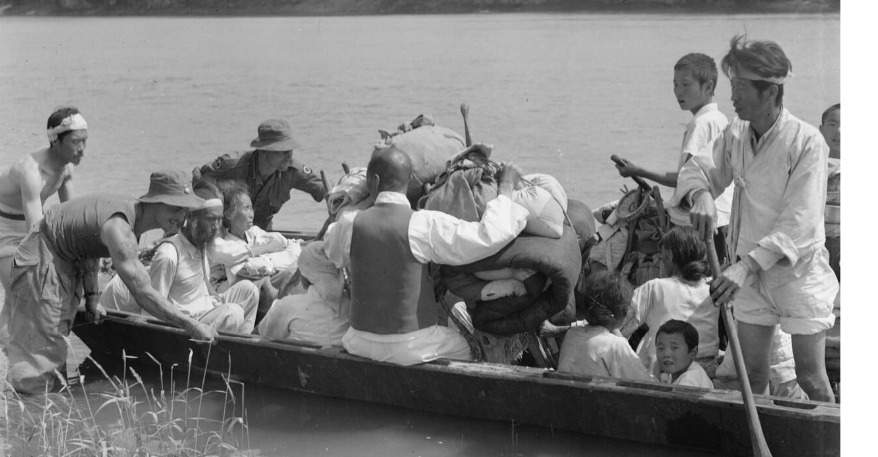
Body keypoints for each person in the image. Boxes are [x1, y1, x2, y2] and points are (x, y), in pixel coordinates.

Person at [677, 35, 839, 402]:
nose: (731, 96)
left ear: (769, 93)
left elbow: (799, 223)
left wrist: (745, 267)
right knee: (751, 374)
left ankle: (829, 455)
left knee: (811, 377)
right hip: (749, 273)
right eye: (731, 85)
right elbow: (698, 170)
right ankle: (764, 445)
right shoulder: (735, 132)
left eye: (740, 87)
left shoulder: (808, 142)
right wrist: (701, 195)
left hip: (798, 274)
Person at [4, 171, 218, 394]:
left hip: (63, 258)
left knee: (53, 345)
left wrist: (93, 296)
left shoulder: (129, 213)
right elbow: (142, 291)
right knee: (40, 353)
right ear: (155, 202)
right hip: (42, 258)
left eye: (185, 210)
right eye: (175, 208)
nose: (181, 217)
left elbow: (88, 242)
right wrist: (191, 325)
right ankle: (28, 416)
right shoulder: (121, 229)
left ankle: (50, 412)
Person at [342, 146, 533, 366]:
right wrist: (506, 186)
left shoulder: (348, 224)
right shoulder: (424, 223)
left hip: (358, 342)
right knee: (470, 347)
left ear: (373, 181)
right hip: (412, 348)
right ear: (410, 181)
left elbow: (334, 254)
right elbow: (486, 238)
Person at [612, 53, 735, 262]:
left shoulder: (701, 124)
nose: (678, 91)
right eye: (675, 85)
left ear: (708, 86)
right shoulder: (719, 119)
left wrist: (638, 171)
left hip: (699, 224)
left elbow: (684, 179)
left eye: (686, 84)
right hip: (721, 219)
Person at [98, 181, 261, 336]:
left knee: (249, 289)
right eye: (211, 219)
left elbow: (204, 289)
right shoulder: (169, 254)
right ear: (192, 219)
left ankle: (242, 343)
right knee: (233, 312)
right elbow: (153, 309)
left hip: (201, 310)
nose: (217, 227)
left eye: (219, 219)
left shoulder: (202, 244)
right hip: (185, 322)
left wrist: (215, 300)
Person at [0, 107, 88, 346]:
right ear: (55, 141)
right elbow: (35, 231)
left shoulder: (66, 168)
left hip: (30, 225)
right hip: (4, 230)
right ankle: (9, 356)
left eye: (85, 141)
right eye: (75, 142)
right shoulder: (30, 171)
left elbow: (69, 215)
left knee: (24, 295)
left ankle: (22, 350)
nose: (82, 149)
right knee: (18, 298)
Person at [192, 118, 327, 231]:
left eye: (290, 149)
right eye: (282, 150)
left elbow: (325, 189)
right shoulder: (233, 165)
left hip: (262, 235)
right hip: (226, 235)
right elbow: (199, 182)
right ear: (263, 150)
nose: (289, 155)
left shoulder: (293, 171)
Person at [620, 226, 720, 376]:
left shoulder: (655, 287)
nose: (662, 260)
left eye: (663, 255)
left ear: (671, 256)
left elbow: (621, 327)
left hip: (665, 372)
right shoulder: (715, 287)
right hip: (708, 371)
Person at [207, 181, 302, 318]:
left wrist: (267, 258)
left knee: (290, 273)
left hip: (255, 283)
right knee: (261, 278)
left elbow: (284, 243)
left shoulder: (253, 233)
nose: (252, 213)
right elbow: (248, 269)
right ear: (229, 214)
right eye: (246, 208)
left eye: (251, 208)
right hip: (235, 293)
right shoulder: (227, 243)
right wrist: (268, 251)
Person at [556, 270, 654, 381]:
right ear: (619, 311)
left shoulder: (572, 334)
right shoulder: (615, 345)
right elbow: (644, 382)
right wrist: (654, 364)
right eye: (627, 306)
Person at [257, 241, 352, 347]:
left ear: (304, 276)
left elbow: (264, 334)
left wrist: (283, 294)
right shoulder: (352, 303)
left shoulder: (287, 305)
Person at [652, 320, 713, 388]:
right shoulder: (680, 371)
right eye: (661, 348)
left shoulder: (687, 382)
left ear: (693, 353)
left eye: (674, 348)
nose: (666, 354)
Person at [820, 103, 841, 282]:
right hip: (816, 245)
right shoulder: (810, 166)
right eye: (832, 125)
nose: (839, 131)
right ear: (821, 129)